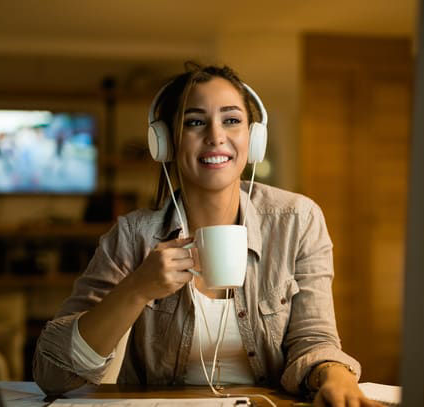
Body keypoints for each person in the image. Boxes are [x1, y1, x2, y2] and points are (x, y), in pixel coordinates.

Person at [33, 63, 377, 407]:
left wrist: (335, 374)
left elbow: (313, 338)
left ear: (254, 139)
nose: (216, 136)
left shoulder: (297, 220)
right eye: (195, 122)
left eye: (231, 120)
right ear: (165, 142)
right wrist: (136, 289)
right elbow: (53, 375)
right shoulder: (132, 235)